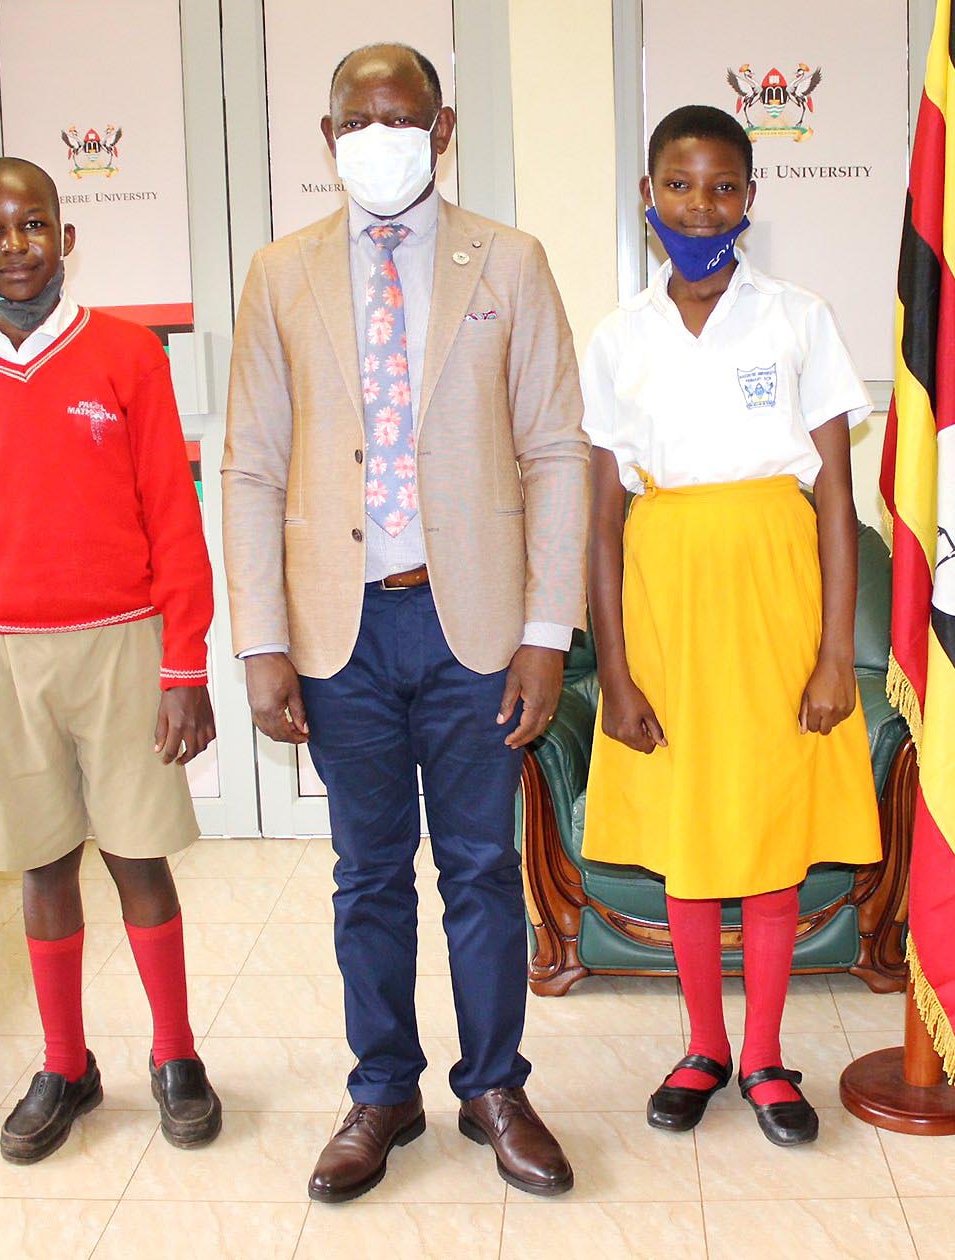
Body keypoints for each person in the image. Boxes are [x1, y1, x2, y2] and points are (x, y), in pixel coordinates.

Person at [222, 44, 588, 1202]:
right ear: (327, 137)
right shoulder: (280, 274)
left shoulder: (511, 264)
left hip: (471, 622)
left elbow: (555, 453)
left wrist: (546, 628)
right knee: (366, 875)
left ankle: (494, 1088)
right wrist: (259, 640)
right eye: (358, 119)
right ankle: (381, 1089)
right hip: (340, 635)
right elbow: (247, 468)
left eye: (404, 117)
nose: (381, 136)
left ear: (443, 128)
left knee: (481, 871)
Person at [0, 157, 223, 1164]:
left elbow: (174, 519)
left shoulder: (127, 354)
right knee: (42, 865)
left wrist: (184, 667)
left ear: (65, 237)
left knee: (138, 857)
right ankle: (64, 1063)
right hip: (1, 662)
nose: (15, 248)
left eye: (33, 226)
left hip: (124, 646)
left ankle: (174, 1055)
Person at [579, 106, 882, 1147]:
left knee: (762, 831)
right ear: (647, 197)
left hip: (772, 602)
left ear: (749, 197)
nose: (697, 205)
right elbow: (602, 518)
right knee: (687, 831)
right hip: (664, 608)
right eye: (677, 185)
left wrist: (834, 654)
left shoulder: (797, 318)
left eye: (719, 186)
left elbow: (836, 499)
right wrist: (614, 674)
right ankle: (702, 1044)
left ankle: (763, 1056)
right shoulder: (618, 336)